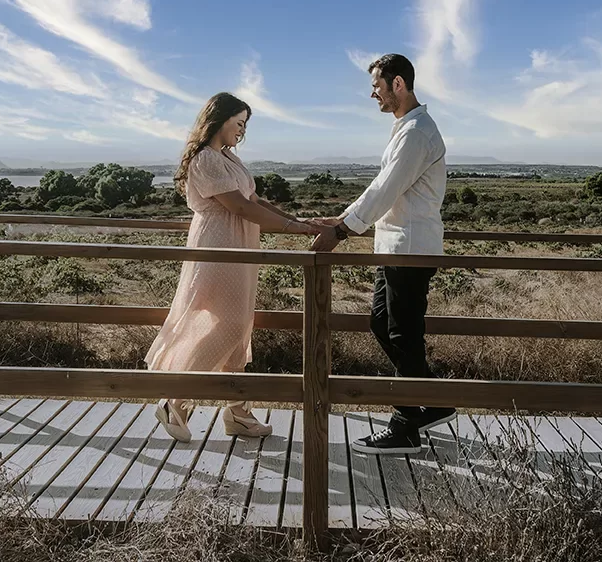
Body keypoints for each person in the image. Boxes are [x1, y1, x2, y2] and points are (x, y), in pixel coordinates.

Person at [146, 92, 323, 442]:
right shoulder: (205, 160)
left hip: (241, 246)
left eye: (245, 125)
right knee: (230, 323)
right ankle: (175, 399)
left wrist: (297, 220)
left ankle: (239, 413)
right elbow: (239, 207)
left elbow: (255, 200)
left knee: (240, 324)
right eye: (238, 123)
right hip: (219, 246)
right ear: (219, 119)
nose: (242, 131)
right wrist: (290, 228)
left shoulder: (230, 160)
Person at [310, 54, 454, 455]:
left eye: (377, 85)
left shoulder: (416, 133)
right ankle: (434, 399)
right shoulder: (406, 128)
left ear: (398, 85)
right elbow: (381, 185)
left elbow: (385, 190)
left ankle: (405, 425)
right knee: (381, 322)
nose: (371, 93)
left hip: (409, 249)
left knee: (402, 333)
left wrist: (340, 230)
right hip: (395, 247)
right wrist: (341, 217)